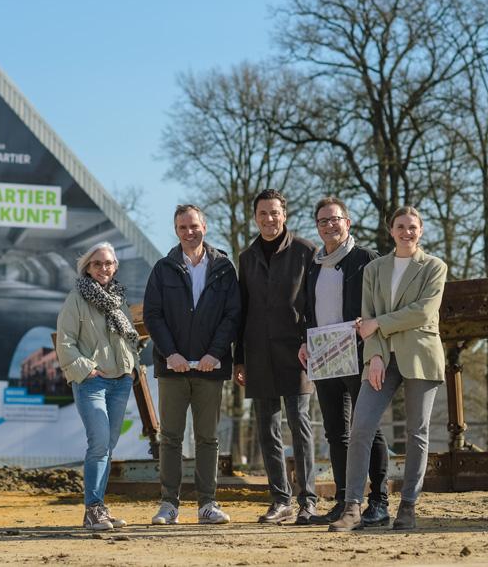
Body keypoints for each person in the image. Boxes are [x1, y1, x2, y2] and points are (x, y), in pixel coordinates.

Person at [329, 206, 447, 532]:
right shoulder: (375, 269)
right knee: (361, 426)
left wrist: (378, 324)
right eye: (400, 226)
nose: (406, 232)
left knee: (416, 433)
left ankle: (408, 505)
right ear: (391, 230)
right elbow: (367, 316)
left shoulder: (434, 267)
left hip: (420, 357)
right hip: (383, 358)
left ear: (420, 230)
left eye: (412, 227)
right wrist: (375, 357)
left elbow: (422, 313)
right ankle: (352, 506)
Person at [143, 204, 241, 525]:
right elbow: (153, 316)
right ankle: (168, 504)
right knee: (170, 437)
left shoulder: (224, 268)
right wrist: (170, 353)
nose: (189, 232)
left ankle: (207, 505)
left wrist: (216, 353)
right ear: (176, 231)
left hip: (211, 368)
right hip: (173, 367)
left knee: (208, 438)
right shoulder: (163, 268)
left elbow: (232, 315)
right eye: (183, 227)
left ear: (205, 226)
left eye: (194, 226)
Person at [298, 196, 390, 526]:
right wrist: (304, 342)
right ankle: (342, 501)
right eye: (322, 221)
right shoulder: (313, 265)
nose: (329, 225)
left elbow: (381, 305)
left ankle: (378, 501)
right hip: (325, 357)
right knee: (337, 433)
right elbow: (307, 311)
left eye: (334, 219)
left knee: (368, 427)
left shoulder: (366, 259)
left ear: (347, 222)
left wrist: (368, 327)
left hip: (361, 353)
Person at [234, 188, 319, 525]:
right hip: (257, 353)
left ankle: (308, 500)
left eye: (274, 213)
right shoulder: (247, 257)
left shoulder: (306, 251)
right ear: (255, 218)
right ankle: (280, 500)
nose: (269, 219)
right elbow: (242, 312)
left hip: (297, 353)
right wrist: (238, 358)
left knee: (300, 424)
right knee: (266, 428)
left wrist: (311, 342)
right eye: (262, 214)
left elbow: (314, 305)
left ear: (285, 214)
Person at [55, 241, 142, 531]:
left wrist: (130, 369)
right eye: (97, 263)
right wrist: (87, 369)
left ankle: (99, 509)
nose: (103, 268)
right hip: (92, 383)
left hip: (120, 383)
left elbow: (130, 338)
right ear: (87, 268)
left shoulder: (119, 301)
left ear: (115, 266)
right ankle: (93, 509)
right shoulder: (76, 299)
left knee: (108, 447)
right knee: (99, 443)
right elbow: (64, 341)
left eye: (108, 263)